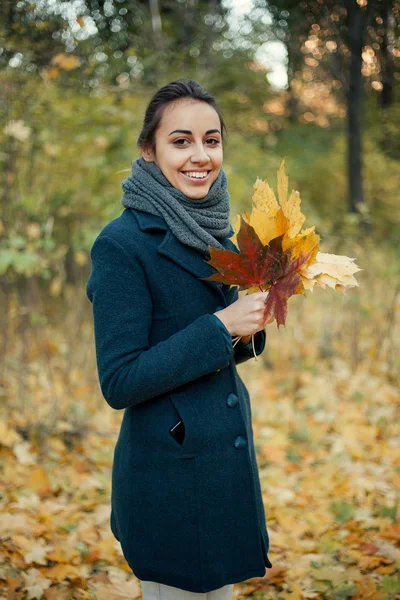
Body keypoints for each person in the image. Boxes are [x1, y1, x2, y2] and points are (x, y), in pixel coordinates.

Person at [86, 78, 273, 600]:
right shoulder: (122, 244)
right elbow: (120, 380)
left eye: (211, 140)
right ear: (149, 150)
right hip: (170, 482)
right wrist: (221, 327)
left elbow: (217, 343)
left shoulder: (218, 234)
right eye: (181, 140)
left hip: (221, 471)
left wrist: (251, 321)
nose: (200, 156)